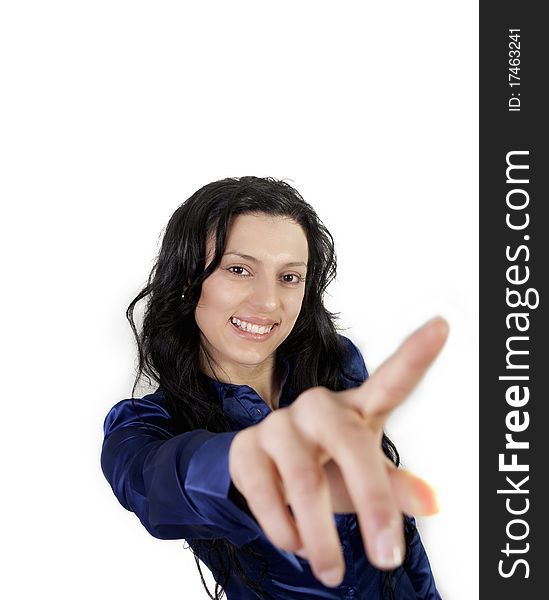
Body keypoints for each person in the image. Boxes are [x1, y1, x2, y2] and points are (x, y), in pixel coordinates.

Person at [100, 176, 447, 599]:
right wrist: (243, 463)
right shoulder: (145, 426)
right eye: (239, 269)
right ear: (190, 281)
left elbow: (400, 532)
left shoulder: (334, 363)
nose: (268, 302)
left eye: (289, 277)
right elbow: (153, 486)